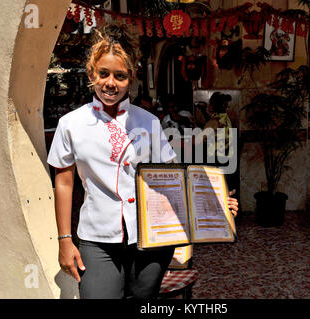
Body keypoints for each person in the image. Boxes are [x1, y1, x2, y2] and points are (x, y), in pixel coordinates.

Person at [47, 24, 239, 299]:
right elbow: (63, 183)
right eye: (103, 74)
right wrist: (65, 240)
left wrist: (215, 202)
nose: (110, 83)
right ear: (92, 74)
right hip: (98, 239)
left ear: (131, 78)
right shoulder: (71, 124)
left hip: (152, 239)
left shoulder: (148, 122)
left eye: (120, 76)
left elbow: (172, 180)